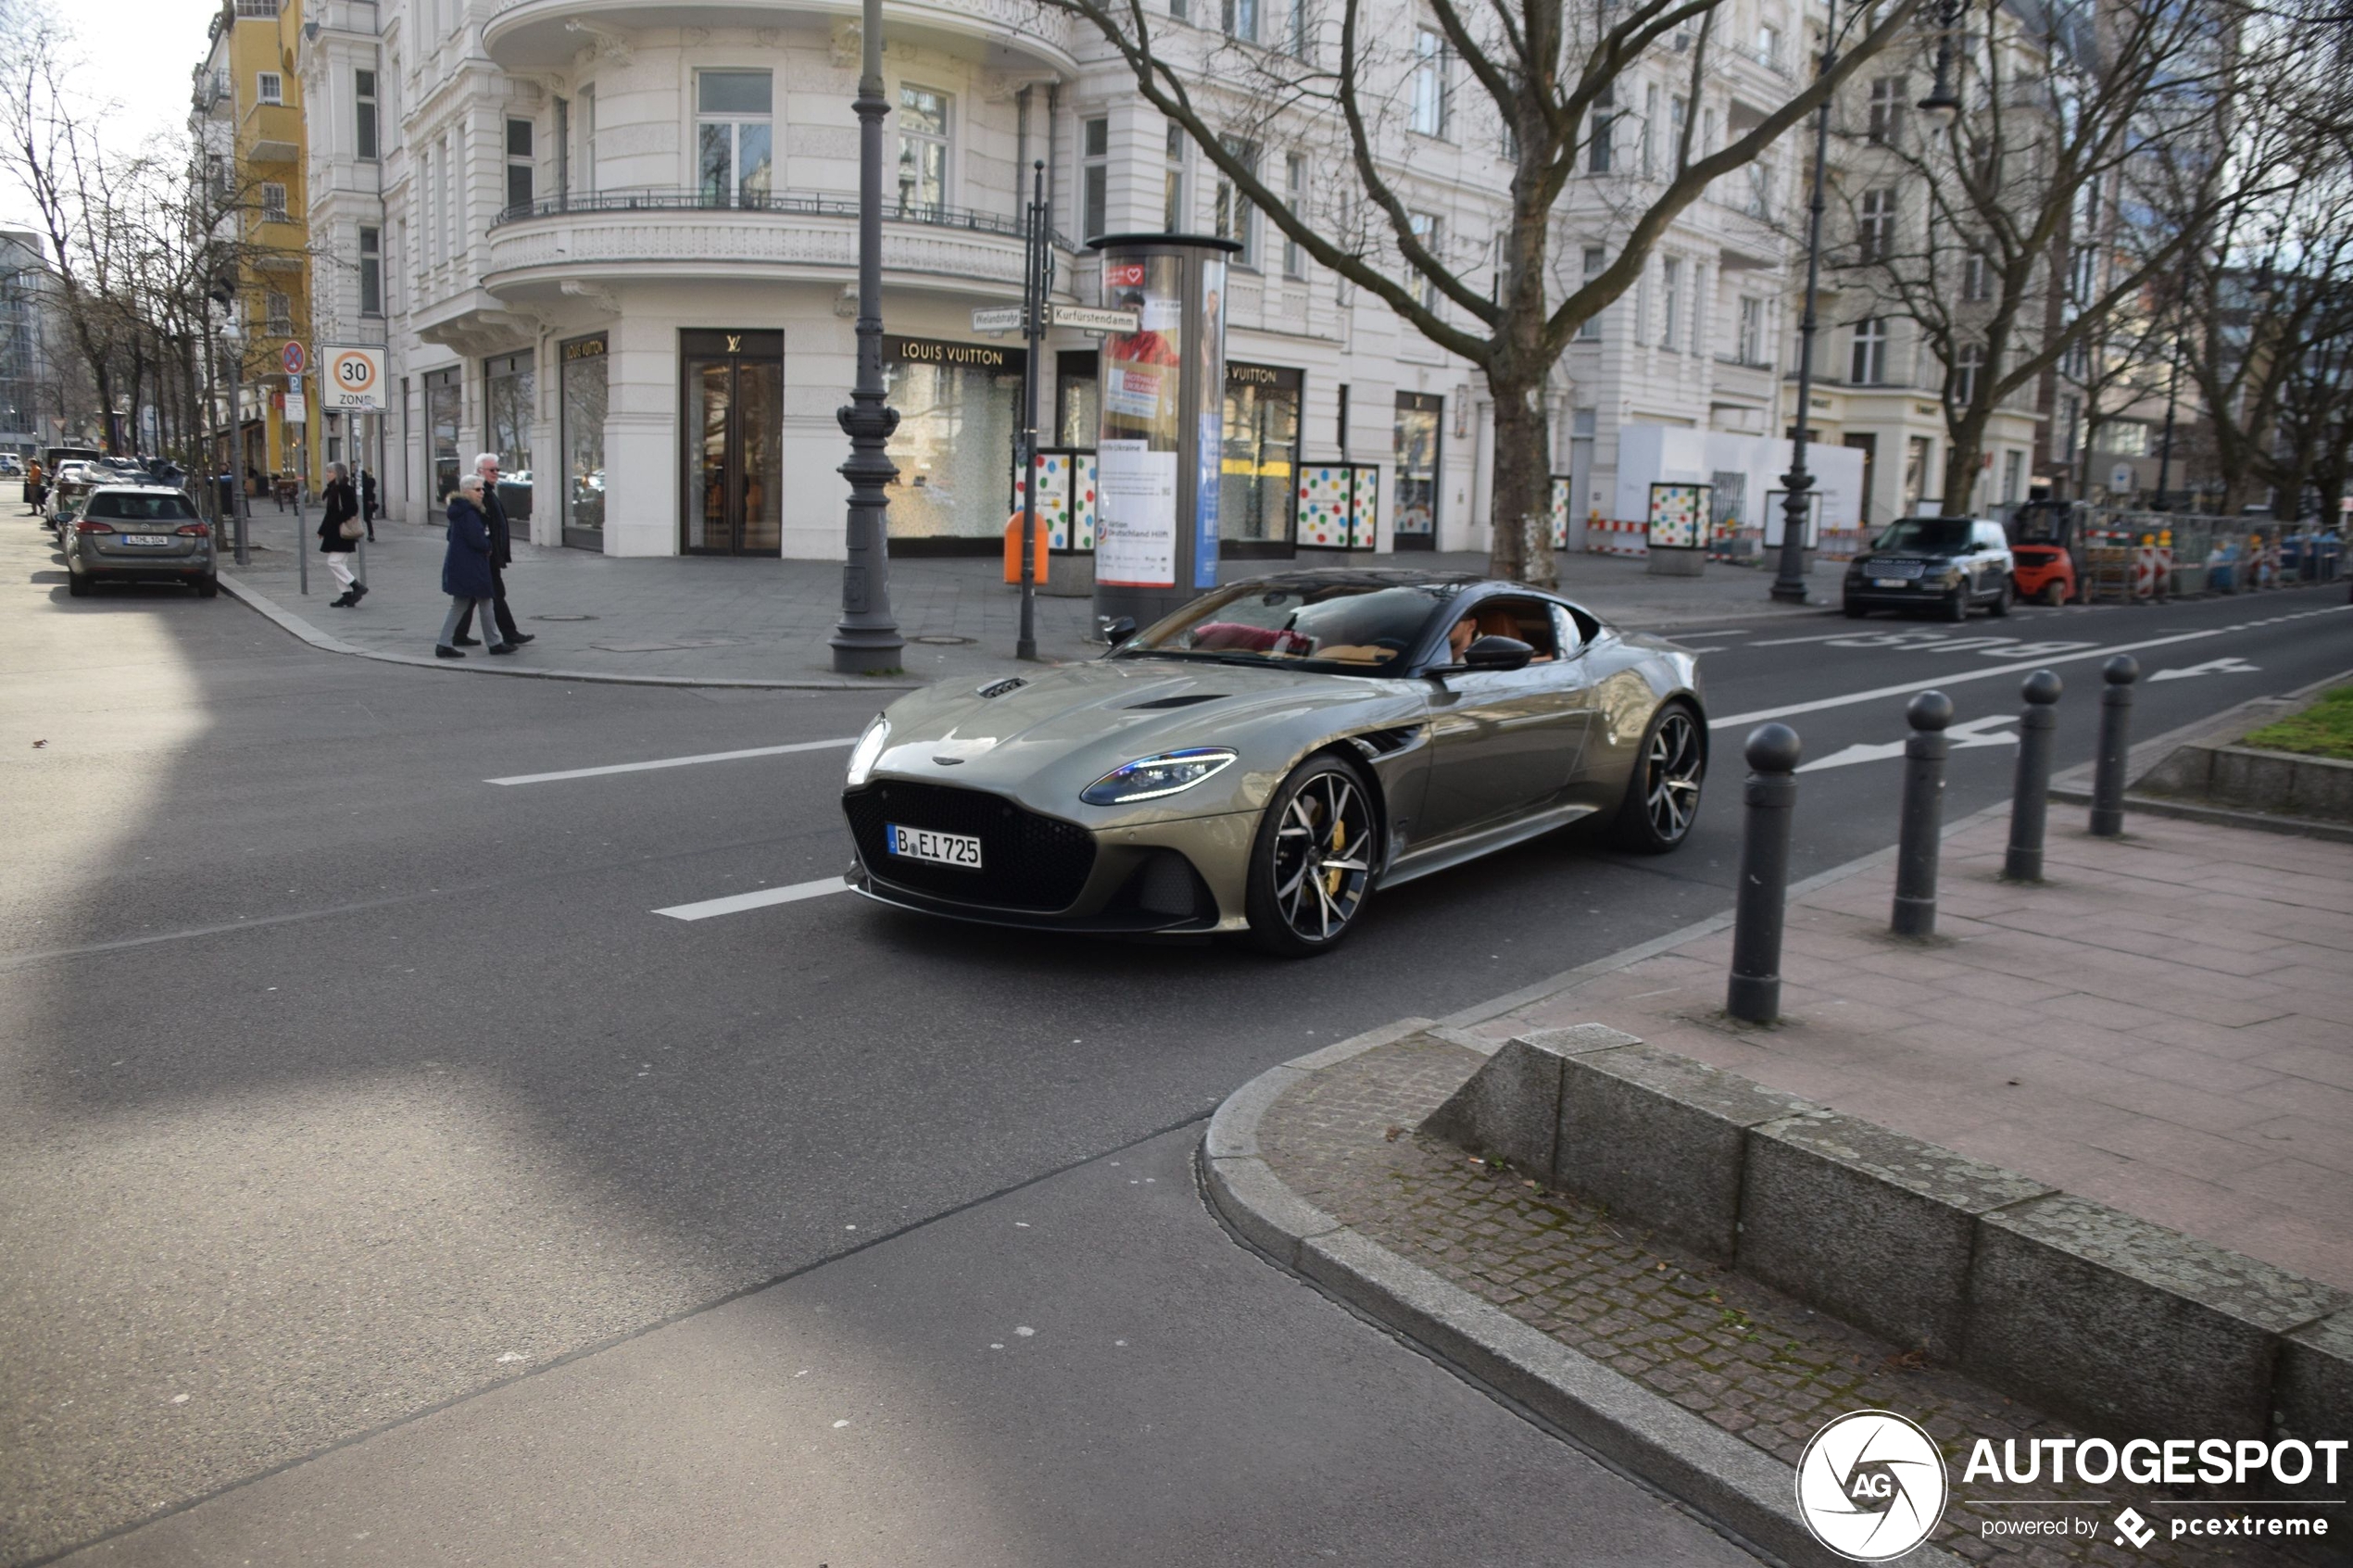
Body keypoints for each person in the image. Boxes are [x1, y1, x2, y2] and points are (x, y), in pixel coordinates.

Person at [451, 452, 533, 647]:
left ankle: (458, 634)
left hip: (490, 552)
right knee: (495, 593)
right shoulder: (481, 493)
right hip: (486, 554)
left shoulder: (487, 491)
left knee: (472, 596)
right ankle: (507, 634)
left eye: (497, 469)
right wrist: (488, 547)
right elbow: (480, 525)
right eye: (492, 470)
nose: (496, 473)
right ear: (480, 471)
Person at [436, 474, 512, 659]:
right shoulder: (469, 513)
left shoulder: (459, 510)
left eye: (482, 489)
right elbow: (477, 539)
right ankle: (493, 643)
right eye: (477, 489)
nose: (482, 493)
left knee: (467, 603)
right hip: (471, 565)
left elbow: (451, 536)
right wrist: (488, 546)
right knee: (481, 601)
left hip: (463, 564)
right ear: (466, 491)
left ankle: (445, 643)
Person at [320, 462, 366, 608]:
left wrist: (334, 522)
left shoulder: (344, 489)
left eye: (330, 472)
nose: (327, 475)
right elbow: (329, 513)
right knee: (340, 563)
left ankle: (356, 586)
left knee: (333, 562)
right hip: (335, 532)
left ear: (338, 474)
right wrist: (322, 530)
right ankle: (346, 595)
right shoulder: (333, 489)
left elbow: (351, 509)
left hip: (342, 532)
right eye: (327, 472)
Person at [360, 469, 378, 540]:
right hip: (366, 503)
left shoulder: (364, 484)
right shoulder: (367, 483)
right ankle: (371, 534)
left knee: (364, 519)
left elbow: (368, 493)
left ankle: (369, 534)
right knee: (367, 519)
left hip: (364, 503)